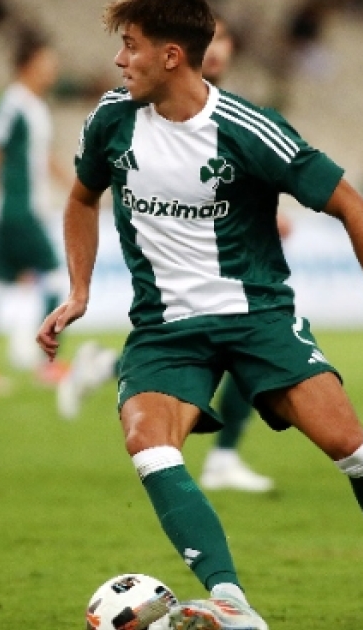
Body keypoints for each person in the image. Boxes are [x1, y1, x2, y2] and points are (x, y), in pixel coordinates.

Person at [37, 2, 363, 629]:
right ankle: (232, 602)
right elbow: (82, 199)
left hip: (257, 319)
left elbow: (352, 206)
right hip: (166, 329)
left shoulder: (249, 129)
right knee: (147, 444)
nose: (119, 59)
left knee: (350, 448)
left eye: (131, 45)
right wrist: (79, 291)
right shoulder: (111, 120)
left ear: (171, 56)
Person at [58, 14, 279, 493]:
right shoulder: (140, 110)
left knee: (242, 350)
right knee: (221, 347)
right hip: (175, 267)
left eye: (225, 40)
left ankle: (109, 370)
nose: (217, 49)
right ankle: (219, 456)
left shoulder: (230, 113)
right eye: (212, 39)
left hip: (230, 268)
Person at [0, 33, 71, 392]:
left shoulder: (35, 107)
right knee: (58, 280)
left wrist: (75, 188)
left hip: (19, 212)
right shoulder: (13, 104)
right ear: (27, 65)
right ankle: (46, 364)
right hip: (20, 211)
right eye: (46, 62)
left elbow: (44, 158)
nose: (52, 69)